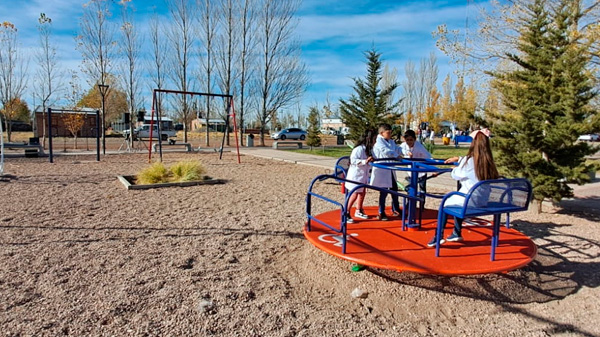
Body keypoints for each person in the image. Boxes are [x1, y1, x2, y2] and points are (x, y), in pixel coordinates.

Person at [427, 128, 499, 247]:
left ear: (473, 144)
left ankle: (438, 236)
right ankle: (456, 232)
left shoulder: (469, 161)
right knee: (457, 197)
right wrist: (459, 159)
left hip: (469, 200)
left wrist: (454, 169)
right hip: (483, 200)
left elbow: (456, 175)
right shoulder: (488, 161)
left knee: (446, 202)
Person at [370, 123, 403, 221]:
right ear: (382, 133)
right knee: (383, 192)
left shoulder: (391, 142)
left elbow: (397, 149)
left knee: (394, 190)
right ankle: (381, 212)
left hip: (390, 169)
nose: (390, 134)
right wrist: (396, 155)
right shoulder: (379, 142)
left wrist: (404, 152)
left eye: (390, 132)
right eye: (388, 133)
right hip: (382, 170)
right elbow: (386, 151)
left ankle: (396, 208)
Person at [344, 129, 377, 223]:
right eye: (374, 139)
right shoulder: (359, 149)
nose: (375, 142)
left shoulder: (369, 149)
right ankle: (346, 212)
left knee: (362, 192)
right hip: (356, 176)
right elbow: (353, 160)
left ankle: (359, 210)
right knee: (354, 194)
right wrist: (365, 161)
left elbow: (374, 157)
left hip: (363, 176)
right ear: (369, 139)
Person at [400, 129, 432, 199]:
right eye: (407, 140)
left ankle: (422, 206)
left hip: (421, 170)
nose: (409, 142)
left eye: (411, 140)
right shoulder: (403, 145)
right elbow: (399, 151)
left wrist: (432, 168)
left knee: (422, 189)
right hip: (411, 170)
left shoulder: (419, 147)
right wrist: (406, 154)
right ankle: (409, 204)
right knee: (411, 188)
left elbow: (428, 157)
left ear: (415, 139)